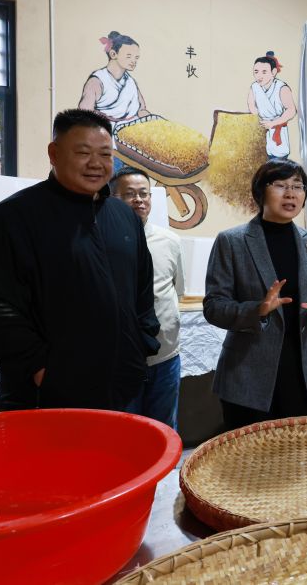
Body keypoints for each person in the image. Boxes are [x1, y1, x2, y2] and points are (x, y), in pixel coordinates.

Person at [0, 109, 160, 410]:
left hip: (120, 383)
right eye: (83, 152)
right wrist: (39, 370)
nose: (96, 163)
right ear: (54, 154)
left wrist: (142, 345)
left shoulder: (124, 216)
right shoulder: (13, 217)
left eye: (105, 154)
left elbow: (143, 290)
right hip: (45, 394)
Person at [204, 159, 307, 430]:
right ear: (260, 191)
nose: (291, 194)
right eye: (280, 185)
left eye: (298, 187)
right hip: (248, 374)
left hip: (301, 375)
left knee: (298, 450)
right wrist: (258, 310)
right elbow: (214, 306)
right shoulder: (232, 241)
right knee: (249, 453)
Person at [111, 167, 186, 429]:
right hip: (121, 359)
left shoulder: (170, 241)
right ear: (112, 199)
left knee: (164, 428)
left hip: (166, 355)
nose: (139, 200)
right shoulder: (103, 241)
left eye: (144, 194)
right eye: (129, 194)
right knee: (125, 431)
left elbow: (176, 291)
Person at [78, 31, 151, 131]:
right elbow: (84, 114)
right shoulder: (97, 81)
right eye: (129, 56)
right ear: (113, 54)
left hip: (133, 130)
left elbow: (141, 109)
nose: (134, 61)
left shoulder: (131, 82)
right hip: (104, 131)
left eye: (136, 57)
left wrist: (152, 121)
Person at [247, 51, 297, 160]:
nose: (259, 76)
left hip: (277, 130)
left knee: (277, 162)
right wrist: (257, 118)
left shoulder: (282, 88)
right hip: (261, 129)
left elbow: (291, 110)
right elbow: (251, 105)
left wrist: (273, 123)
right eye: (256, 72)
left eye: (264, 72)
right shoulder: (254, 87)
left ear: (273, 72)